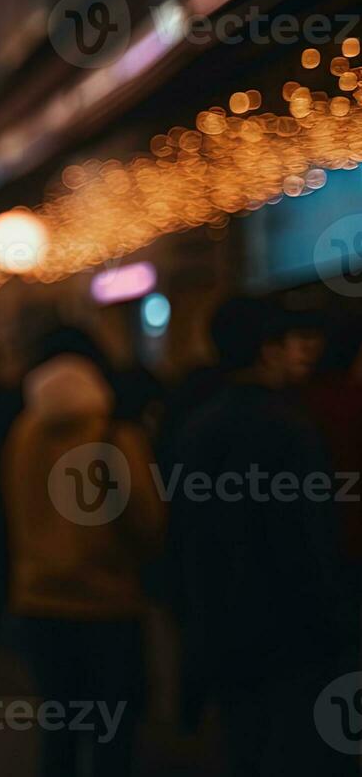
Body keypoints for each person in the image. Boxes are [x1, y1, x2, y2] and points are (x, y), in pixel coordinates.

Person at [168, 298, 351, 776]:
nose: (303, 354)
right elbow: (308, 540)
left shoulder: (197, 429)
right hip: (290, 636)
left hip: (224, 628)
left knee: (244, 750)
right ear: (267, 351)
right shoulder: (291, 430)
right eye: (292, 344)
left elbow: (186, 536)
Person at [1, 329, 165, 777]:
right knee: (112, 736)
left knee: (59, 732)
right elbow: (147, 521)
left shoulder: (23, 432)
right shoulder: (113, 434)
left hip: (38, 602)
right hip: (107, 605)